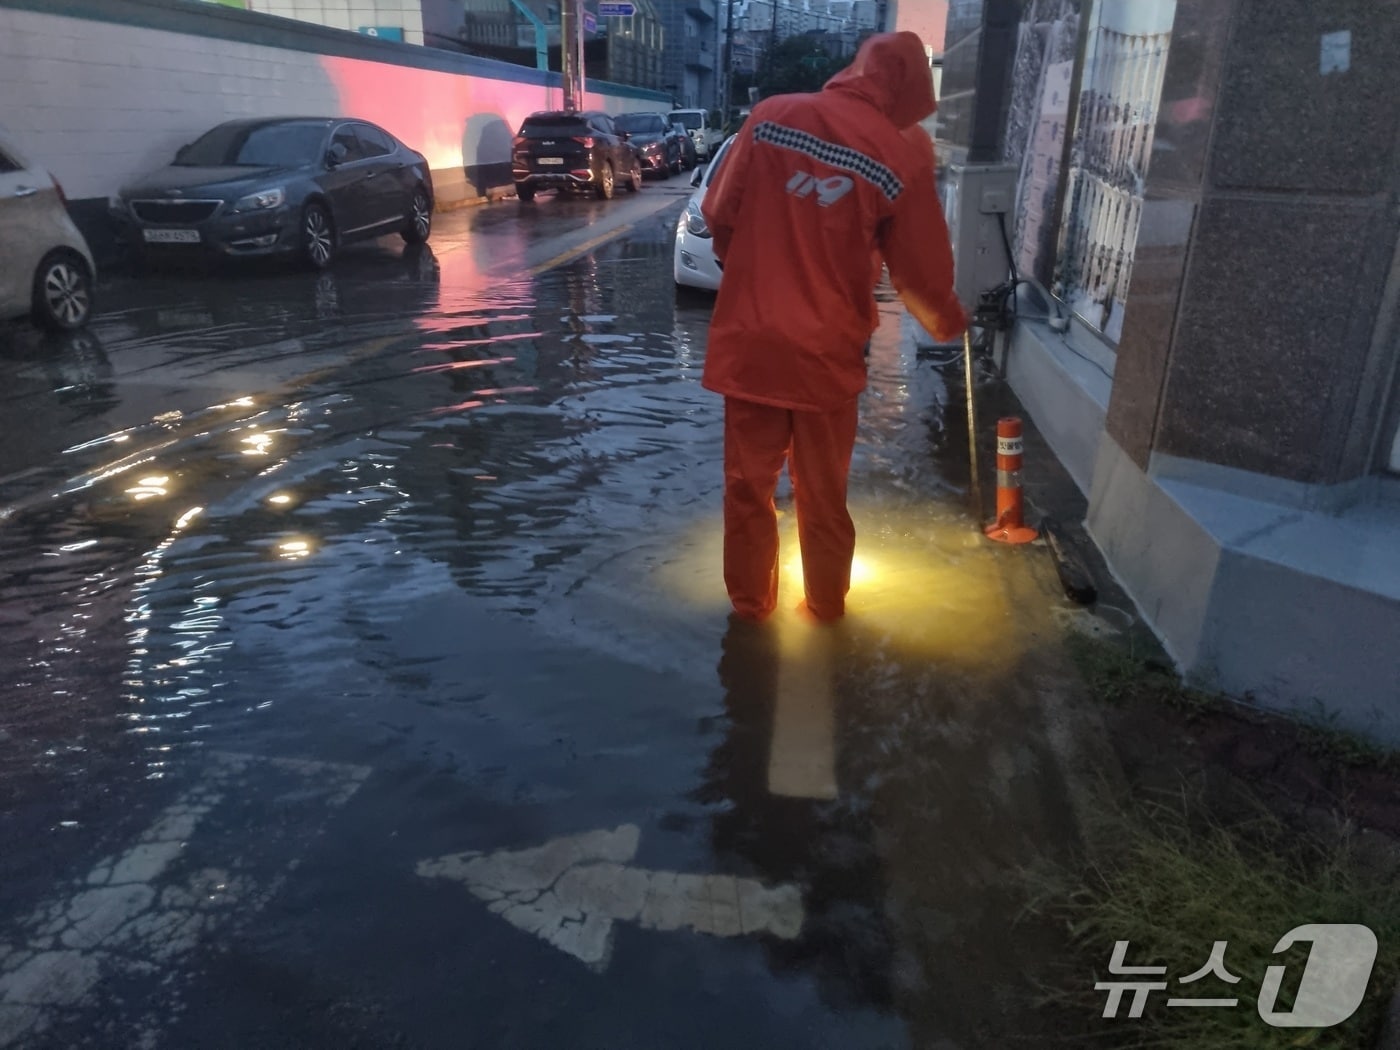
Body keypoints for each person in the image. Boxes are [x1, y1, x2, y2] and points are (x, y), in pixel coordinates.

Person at [700, 31, 968, 624]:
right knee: (823, 493)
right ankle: (823, 607)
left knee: (748, 488)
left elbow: (720, 215)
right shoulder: (902, 156)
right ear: (910, 93)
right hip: (827, 355)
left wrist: (750, 278)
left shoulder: (771, 117)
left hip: (753, 347)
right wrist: (949, 321)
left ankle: (749, 610)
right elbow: (920, 276)